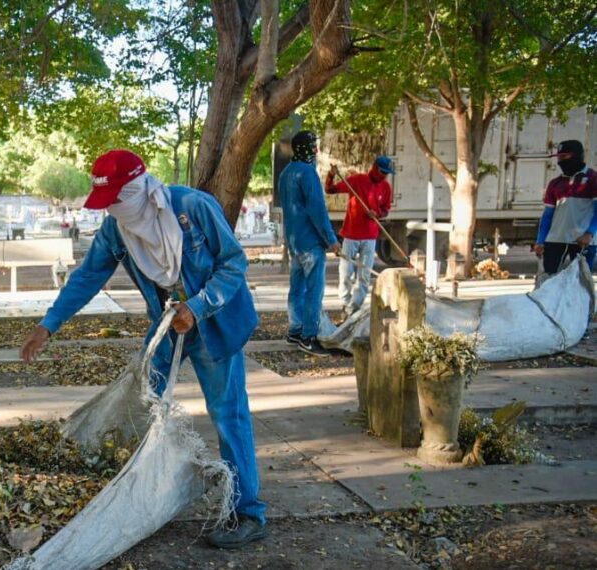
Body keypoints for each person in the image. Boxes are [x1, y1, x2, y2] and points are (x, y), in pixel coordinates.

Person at [20, 150, 268, 550]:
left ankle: (249, 512)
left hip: (214, 320)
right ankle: (138, 485)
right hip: (168, 323)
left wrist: (198, 306)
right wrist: (47, 325)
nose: (114, 210)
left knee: (228, 413)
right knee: (143, 395)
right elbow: (87, 277)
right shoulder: (118, 229)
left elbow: (234, 264)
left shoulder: (191, 208)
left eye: (118, 200)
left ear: (138, 190)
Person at [278, 130, 339, 356]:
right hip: (311, 243)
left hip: (294, 241)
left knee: (297, 288)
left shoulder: (286, 173)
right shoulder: (308, 173)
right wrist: (331, 240)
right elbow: (317, 210)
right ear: (306, 148)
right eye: (313, 146)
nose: (316, 150)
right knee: (314, 290)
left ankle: (295, 330)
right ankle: (309, 336)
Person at [325, 156, 395, 317]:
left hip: (370, 237)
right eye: (383, 172)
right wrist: (331, 175)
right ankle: (345, 302)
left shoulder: (385, 187)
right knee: (345, 272)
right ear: (375, 167)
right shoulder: (356, 180)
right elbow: (330, 190)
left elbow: (385, 209)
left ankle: (353, 308)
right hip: (351, 234)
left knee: (364, 275)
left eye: (387, 173)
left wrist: (377, 213)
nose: (384, 175)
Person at [534, 140, 597, 276]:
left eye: (564, 157)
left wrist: (589, 233)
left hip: (583, 241)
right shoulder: (555, 183)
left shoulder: (593, 179)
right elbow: (548, 215)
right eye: (559, 157)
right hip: (555, 240)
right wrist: (540, 241)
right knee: (549, 280)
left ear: (577, 155)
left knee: (581, 282)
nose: (560, 161)